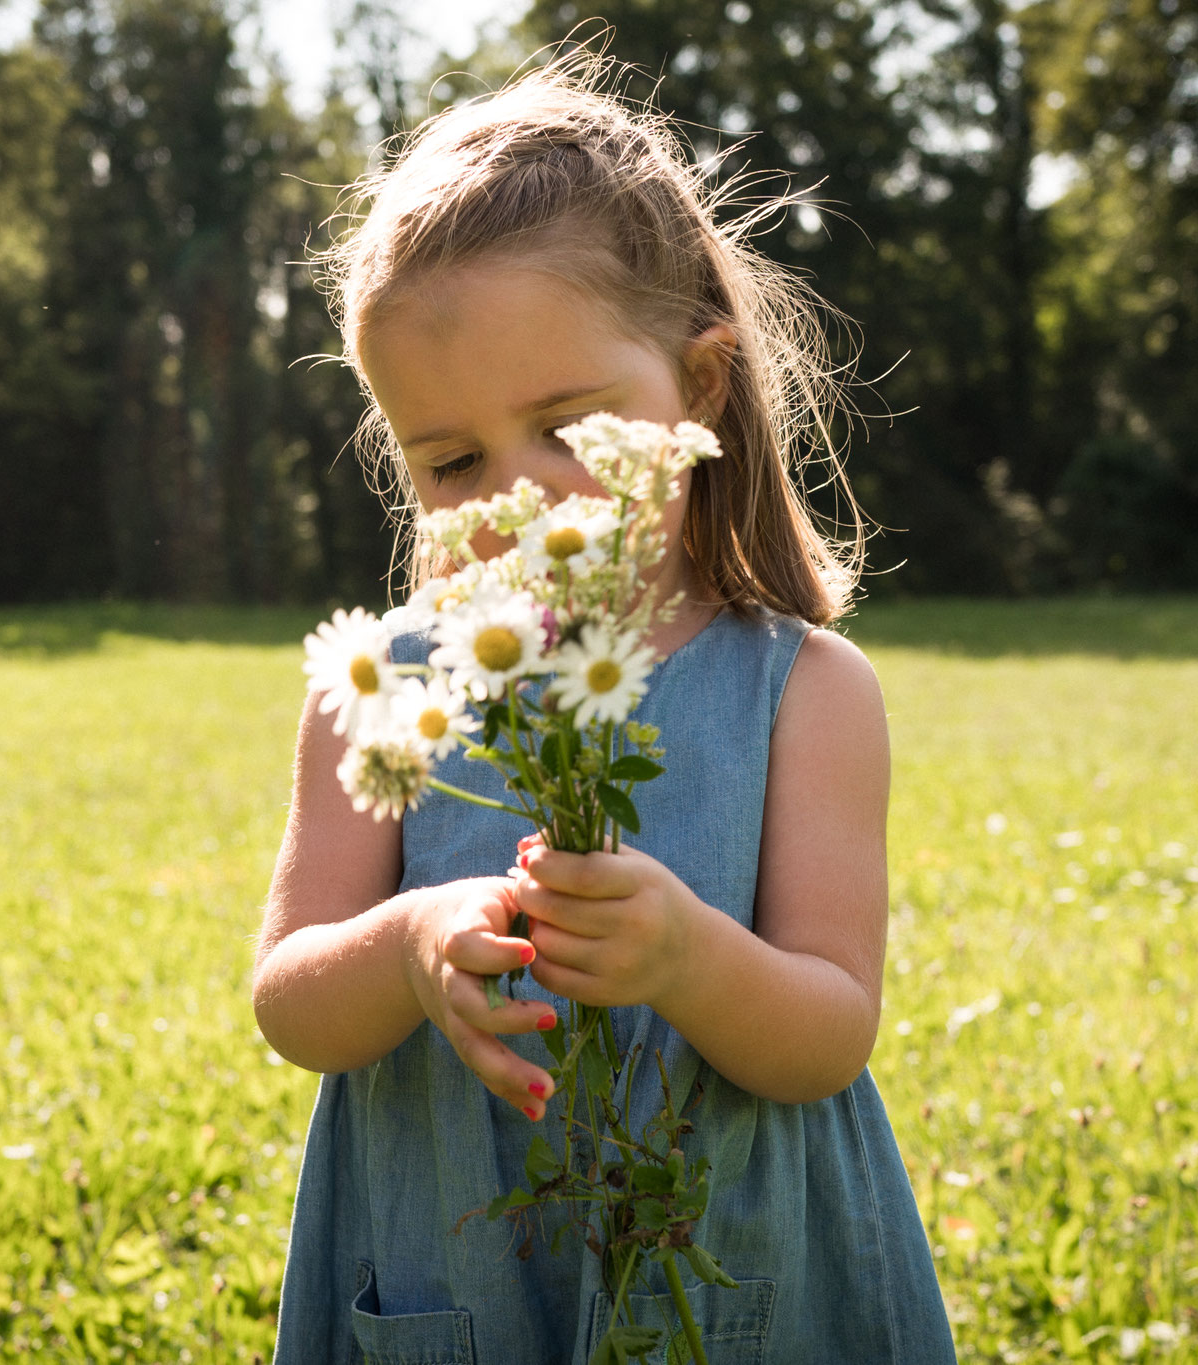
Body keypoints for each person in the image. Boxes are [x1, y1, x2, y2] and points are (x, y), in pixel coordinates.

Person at [253, 48, 956, 1364]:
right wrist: (410, 944)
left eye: (569, 430)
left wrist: (689, 959)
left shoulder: (803, 691)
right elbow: (289, 999)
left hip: (733, 1273)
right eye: (451, 460)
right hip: (455, 1267)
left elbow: (829, 1032)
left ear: (697, 391)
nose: (515, 499)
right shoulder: (384, 688)